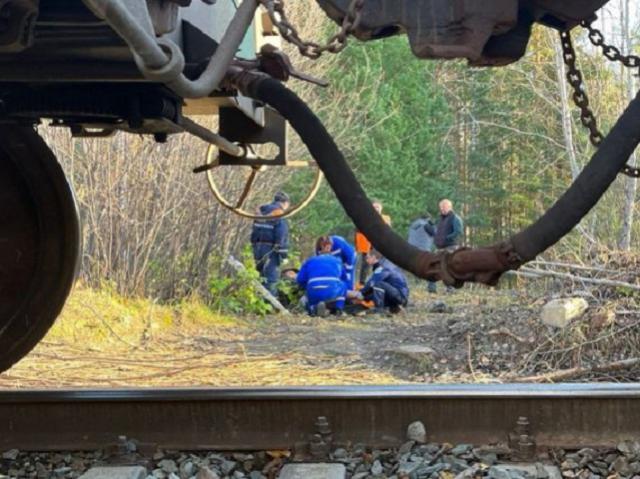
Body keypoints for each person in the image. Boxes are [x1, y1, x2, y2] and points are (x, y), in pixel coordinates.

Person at [297, 238, 349, 316]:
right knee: (343, 285)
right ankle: (338, 309)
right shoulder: (337, 261)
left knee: (310, 295)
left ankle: (313, 308)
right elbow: (344, 278)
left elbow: (300, 280)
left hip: (313, 290)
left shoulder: (309, 260)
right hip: (331, 290)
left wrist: (307, 286)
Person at [250, 191, 290, 294]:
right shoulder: (280, 213)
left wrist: (254, 247)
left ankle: (259, 304)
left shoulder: (261, 212)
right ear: (285, 203)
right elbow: (281, 235)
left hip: (258, 249)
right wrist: (284, 255)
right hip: (270, 251)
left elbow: (254, 232)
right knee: (271, 280)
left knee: (260, 278)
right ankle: (271, 307)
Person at [424, 198, 463, 293]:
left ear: (449, 207)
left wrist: (446, 238)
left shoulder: (455, 218)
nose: (442, 209)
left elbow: (458, 232)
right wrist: (429, 227)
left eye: (444, 207)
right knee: (433, 265)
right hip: (439, 247)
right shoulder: (440, 218)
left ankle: (451, 288)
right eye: (440, 207)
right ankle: (431, 288)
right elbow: (436, 231)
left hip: (451, 246)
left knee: (448, 267)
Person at [356, 249, 409, 314]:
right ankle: (393, 307)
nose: (366, 260)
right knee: (372, 293)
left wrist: (359, 293)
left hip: (400, 296)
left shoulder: (383, 266)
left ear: (374, 257)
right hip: (394, 293)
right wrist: (364, 295)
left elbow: (372, 283)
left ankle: (379, 309)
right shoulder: (382, 265)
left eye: (368, 257)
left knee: (378, 284)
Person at [354, 200, 391, 284]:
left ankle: (378, 282)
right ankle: (362, 283)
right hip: (367, 245)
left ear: (381, 208)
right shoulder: (364, 217)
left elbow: (388, 231)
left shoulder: (385, 218)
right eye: (374, 207)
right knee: (365, 264)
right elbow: (357, 231)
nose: (376, 209)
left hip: (379, 244)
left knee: (379, 264)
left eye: (377, 207)